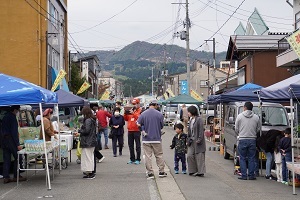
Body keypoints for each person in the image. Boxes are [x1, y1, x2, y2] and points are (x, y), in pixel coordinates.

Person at [137, 99, 167, 179]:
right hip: (156, 138)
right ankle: (161, 171)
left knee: (148, 156)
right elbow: (161, 126)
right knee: (159, 155)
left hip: (146, 139)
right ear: (156, 105)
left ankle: (150, 173)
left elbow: (138, 124)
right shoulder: (159, 114)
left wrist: (143, 130)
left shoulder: (143, 114)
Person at [1, 105, 27, 184]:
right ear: (15, 110)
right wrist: (17, 144)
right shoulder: (12, 118)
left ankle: (6, 177)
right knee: (17, 157)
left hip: (4, 140)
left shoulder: (5, 117)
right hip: (11, 140)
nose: (18, 112)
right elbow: (14, 132)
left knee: (6, 159)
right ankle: (16, 175)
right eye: (18, 110)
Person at [235, 102, 260, 180]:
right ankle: (251, 175)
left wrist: (240, 133)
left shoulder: (239, 116)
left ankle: (244, 175)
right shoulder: (256, 117)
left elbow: (236, 128)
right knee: (251, 158)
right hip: (252, 139)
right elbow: (258, 128)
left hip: (242, 139)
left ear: (244, 107)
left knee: (242, 158)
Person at [76, 106, 97, 179]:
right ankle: (90, 172)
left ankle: (90, 172)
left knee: (88, 157)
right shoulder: (92, 119)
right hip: (91, 141)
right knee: (90, 157)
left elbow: (86, 131)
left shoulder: (88, 120)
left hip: (88, 141)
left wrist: (79, 131)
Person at [186, 105, 206, 177]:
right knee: (189, 155)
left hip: (198, 141)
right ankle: (192, 170)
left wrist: (199, 139)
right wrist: (188, 139)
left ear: (192, 112)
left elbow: (201, 130)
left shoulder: (199, 119)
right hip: (191, 140)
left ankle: (201, 172)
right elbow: (189, 131)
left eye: (188, 112)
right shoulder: (191, 120)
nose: (188, 113)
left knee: (199, 156)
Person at [124, 98, 142, 164]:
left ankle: (138, 159)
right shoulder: (130, 110)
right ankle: (132, 158)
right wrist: (125, 113)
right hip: (130, 130)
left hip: (137, 130)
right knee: (130, 145)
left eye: (135, 104)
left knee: (137, 145)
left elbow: (139, 118)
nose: (134, 105)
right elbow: (126, 119)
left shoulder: (140, 110)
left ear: (138, 104)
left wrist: (133, 113)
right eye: (133, 104)